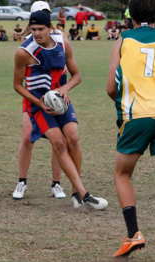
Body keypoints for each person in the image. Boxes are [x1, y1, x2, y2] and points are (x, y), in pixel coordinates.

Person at [106, 0, 155, 258]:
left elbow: (111, 88)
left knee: (122, 174)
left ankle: (133, 233)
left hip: (136, 116)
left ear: (130, 16)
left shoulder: (122, 41)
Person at [14, 10, 108, 210]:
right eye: (33, 29)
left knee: (73, 138)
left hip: (61, 101)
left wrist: (63, 89)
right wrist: (38, 102)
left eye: (41, 29)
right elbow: (17, 85)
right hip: (39, 106)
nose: (37, 33)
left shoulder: (62, 43)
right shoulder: (24, 51)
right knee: (58, 142)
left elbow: (77, 75)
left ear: (50, 28)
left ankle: (75, 194)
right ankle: (84, 194)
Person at [13, 1, 67, 200]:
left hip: (56, 98)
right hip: (34, 99)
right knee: (27, 138)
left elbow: (67, 64)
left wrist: (61, 90)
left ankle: (56, 184)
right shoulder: (28, 44)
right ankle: (22, 181)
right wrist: (38, 101)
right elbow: (19, 80)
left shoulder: (60, 38)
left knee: (58, 141)